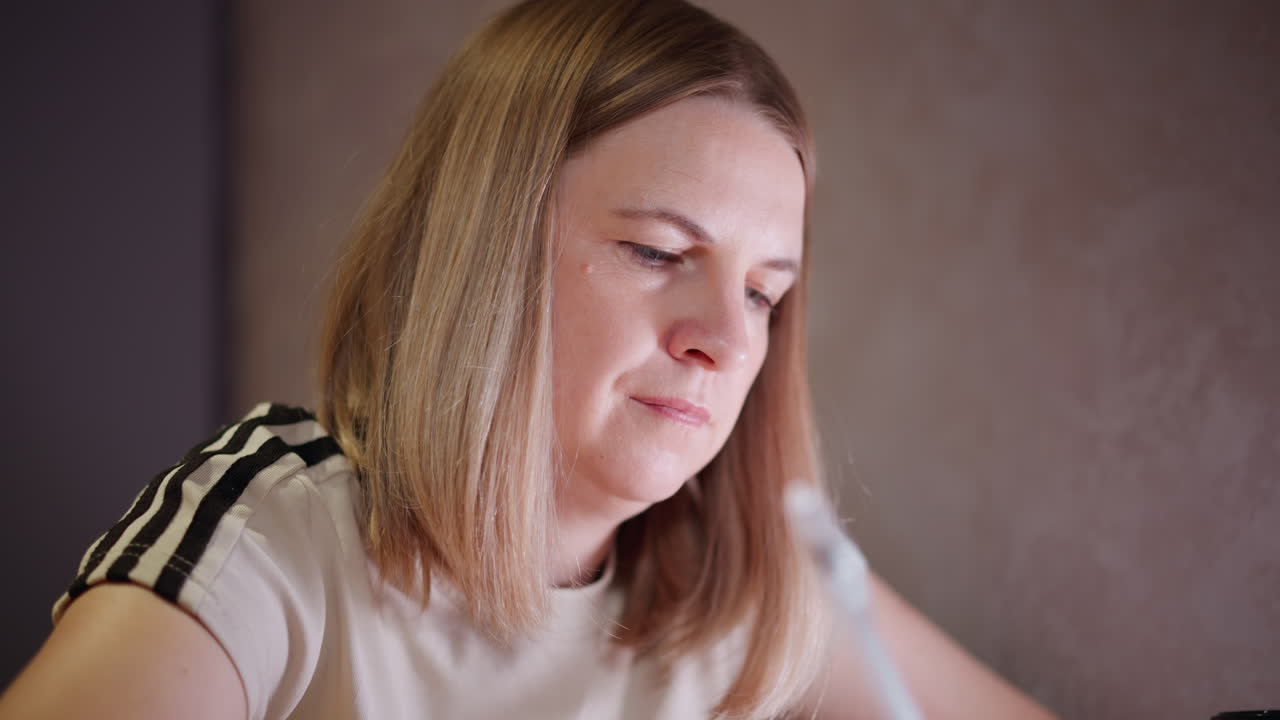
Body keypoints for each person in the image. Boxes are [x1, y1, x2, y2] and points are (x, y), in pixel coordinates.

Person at [0, 1, 1058, 718]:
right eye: (655, 252)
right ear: (485, 251)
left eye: (762, 293)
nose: (729, 342)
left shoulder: (751, 591)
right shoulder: (272, 531)